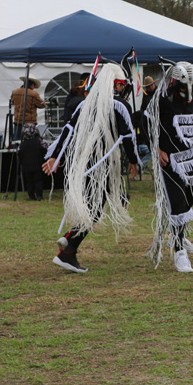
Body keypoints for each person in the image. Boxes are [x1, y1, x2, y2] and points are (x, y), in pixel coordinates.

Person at [43, 64, 139, 273]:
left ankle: (69, 241)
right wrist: (133, 160)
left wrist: (56, 156)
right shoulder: (120, 105)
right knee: (94, 207)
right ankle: (69, 248)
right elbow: (129, 136)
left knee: (90, 204)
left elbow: (67, 131)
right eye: (121, 84)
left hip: (82, 161)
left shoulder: (85, 104)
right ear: (117, 85)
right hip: (102, 162)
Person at [146, 60, 193, 273]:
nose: (189, 91)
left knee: (189, 201)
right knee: (177, 203)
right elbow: (147, 123)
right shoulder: (162, 99)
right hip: (170, 159)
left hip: (192, 159)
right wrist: (156, 149)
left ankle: (179, 237)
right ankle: (178, 251)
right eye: (184, 87)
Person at [18, 123, 45, 201]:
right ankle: (39, 195)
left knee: (29, 182)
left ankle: (31, 196)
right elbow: (45, 149)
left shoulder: (22, 144)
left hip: (26, 166)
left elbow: (19, 153)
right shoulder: (39, 141)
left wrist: (22, 162)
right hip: (37, 165)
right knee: (38, 181)